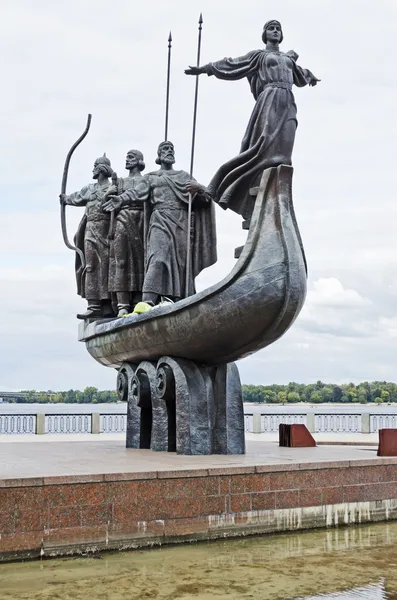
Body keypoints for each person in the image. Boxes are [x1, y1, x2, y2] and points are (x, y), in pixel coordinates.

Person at [185, 20, 320, 218]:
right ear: (264, 34)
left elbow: (301, 74)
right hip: (270, 99)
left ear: (281, 35)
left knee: (284, 154)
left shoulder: (288, 59)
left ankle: (275, 190)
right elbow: (233, 64)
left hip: (288, 102)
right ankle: (223, 186)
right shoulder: (259, 56)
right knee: (262, 147)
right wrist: (206, 69)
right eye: (271, 28)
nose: (275, 31)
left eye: (278, 29)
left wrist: (312, 77)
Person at [103, 141, 217, 310]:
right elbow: (136, 192)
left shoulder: (184, 176)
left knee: (181, 263)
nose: (169, 151)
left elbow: (207, 197)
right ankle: (148, 300)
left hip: (180, 221)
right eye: (165, 149)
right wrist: (121, 199)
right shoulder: (151, 177)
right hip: (159, 220)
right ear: (158, 155)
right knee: (158, 257)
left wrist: (198, 188)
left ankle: (179, 300)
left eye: (172, 149)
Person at [60, 154, 114, 319]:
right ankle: (93, 304)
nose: (93, 170)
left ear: (101, 169)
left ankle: (107, 304)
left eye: (95, 166)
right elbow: (74, 198)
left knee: (107, 266)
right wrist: (65, 198)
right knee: (90, 265)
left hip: (107, 230)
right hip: (90, 230)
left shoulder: (113, 188)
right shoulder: (89, 189)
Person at [103, 149, 146, 317]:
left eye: (131, 157)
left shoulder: (145, 180)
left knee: (139, 262)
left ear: (140, 161)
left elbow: (146, 194)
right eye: (126, 157)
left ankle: (137, 300)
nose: (127, 160)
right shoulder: (119, 182)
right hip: (121, 220)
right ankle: (122, 303)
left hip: (140, 222)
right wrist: (108, 194)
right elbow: (104, 206)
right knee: (120, 261)